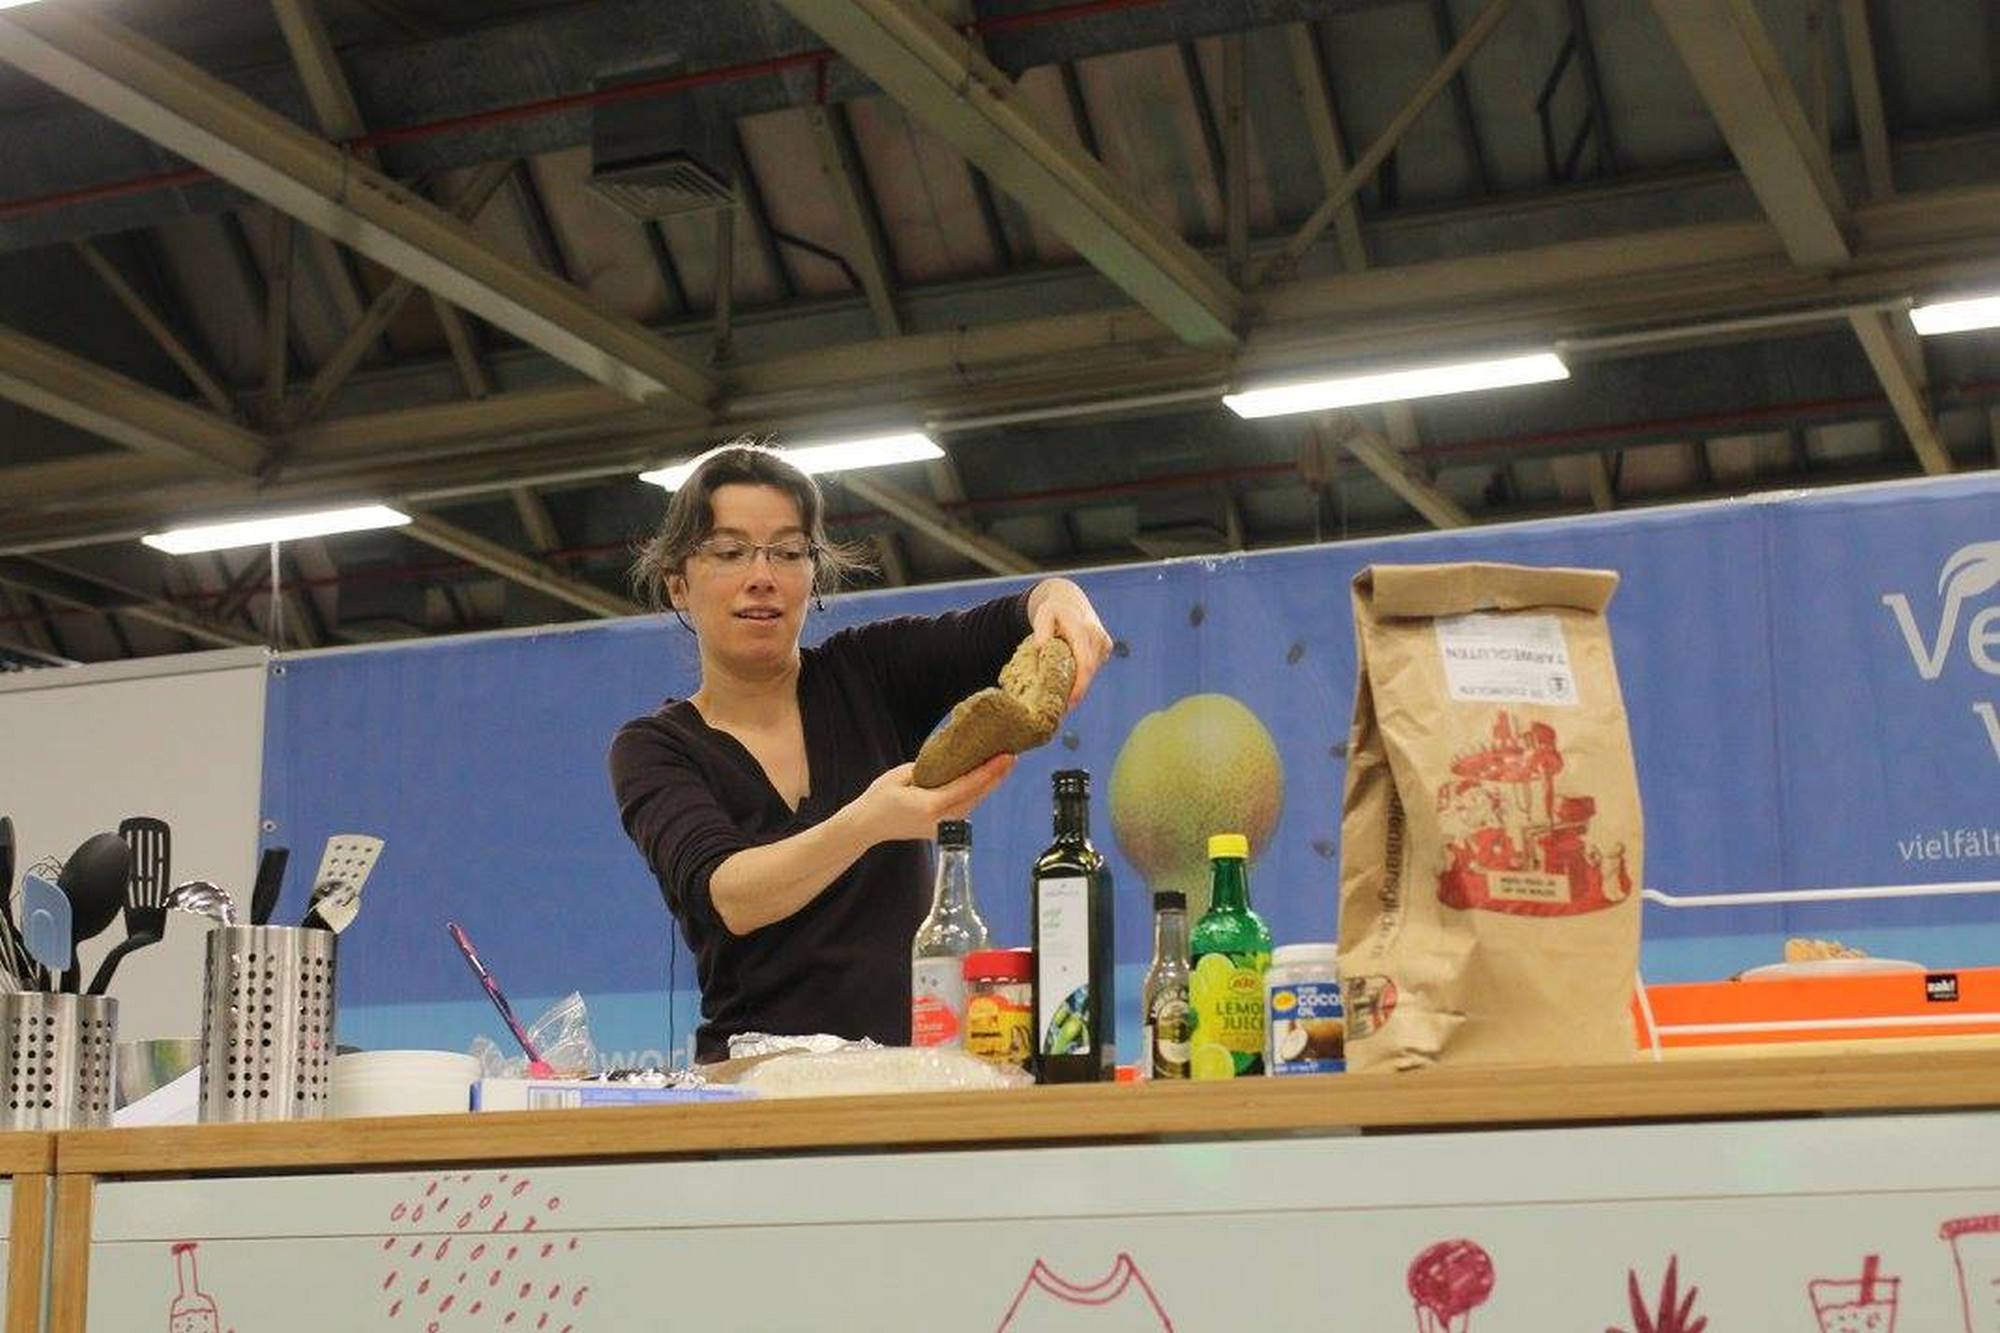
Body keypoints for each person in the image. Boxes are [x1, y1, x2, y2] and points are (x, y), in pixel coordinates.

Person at [608, 444, 1113, 1062]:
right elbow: (732, 896)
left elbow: (1004, 622)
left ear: (812, 574)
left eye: (789, 552)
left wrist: (1058, 597)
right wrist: (870, 823)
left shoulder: (869, 672)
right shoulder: (656, 748)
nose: (761, 575)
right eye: (730, 551)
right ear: (679, 584)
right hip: (753, 1087)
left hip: (906, 1073)